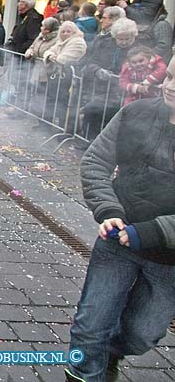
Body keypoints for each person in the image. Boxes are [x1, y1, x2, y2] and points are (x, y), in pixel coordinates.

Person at [65, 55, 175, 382]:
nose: (168, 87)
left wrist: (154, 231)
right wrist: (109, 210)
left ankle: (112, 353)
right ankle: (86, 373)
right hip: (117, 240)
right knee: (90, 325)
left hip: (168, 259)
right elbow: (96, 161)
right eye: (168, 77)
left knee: (142, 333)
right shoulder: (136, 112)